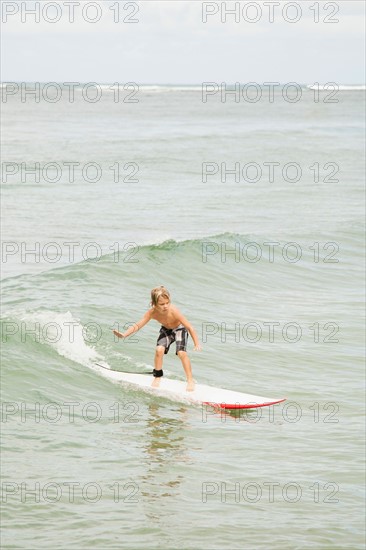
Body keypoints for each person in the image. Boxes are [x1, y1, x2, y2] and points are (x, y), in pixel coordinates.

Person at [113, 286, 201, 391]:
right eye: (162, 304)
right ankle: (157, 377)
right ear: (153, 304)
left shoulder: (173, 310)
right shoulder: (152, 313)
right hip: (166, 330)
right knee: (159, 350)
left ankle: (190, 380)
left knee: (181, 353)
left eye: (167, 303)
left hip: (180, 329)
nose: (165, 306)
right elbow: (138, 325)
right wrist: (124, 335)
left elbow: (189, 326)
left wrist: (196, 343)